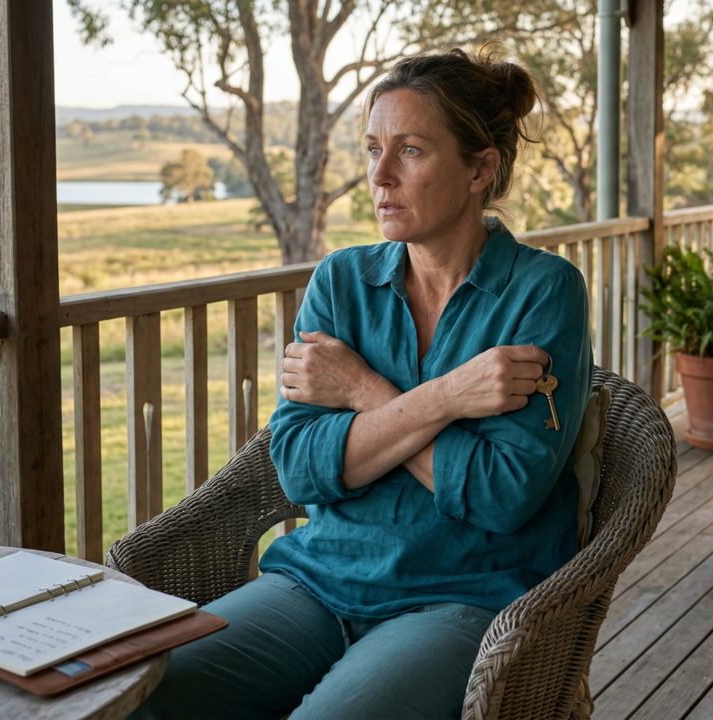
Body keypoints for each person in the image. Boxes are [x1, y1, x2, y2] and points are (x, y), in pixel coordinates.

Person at [135, 48, 593, 720]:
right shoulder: (342, 283)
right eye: (374, 148)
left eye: (409, 151)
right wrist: (447, 396)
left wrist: (361, 392)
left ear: (480, 167)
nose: (379, 176)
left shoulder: (542, 292)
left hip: (463, 595)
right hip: (318, 579)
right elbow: (298, 469)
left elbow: (501, 496)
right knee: (143, 695)